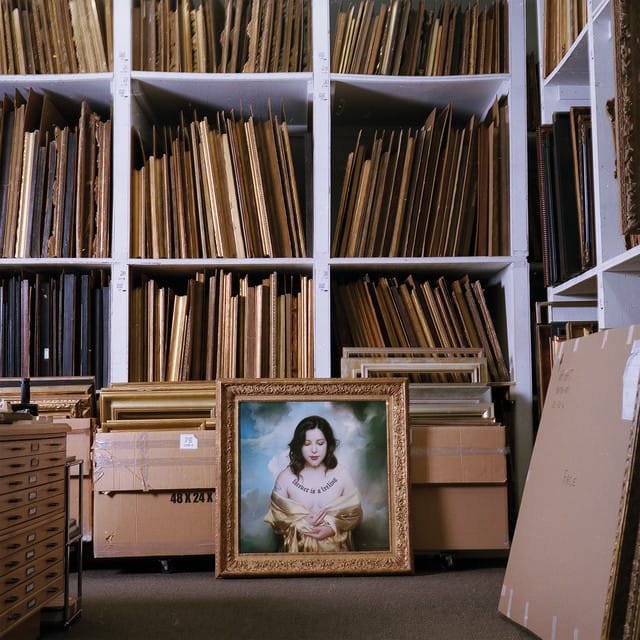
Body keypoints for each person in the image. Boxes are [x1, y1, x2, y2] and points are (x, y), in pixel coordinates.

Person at [264, 415, 363, 552]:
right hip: (295, 556)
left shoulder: (342, 474)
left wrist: (332, 528)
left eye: (320, 443)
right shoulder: (285, 477)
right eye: (307, 444)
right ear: (299, 445)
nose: (314, 450)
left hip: (336, 556)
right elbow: (276, 519)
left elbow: (355, 515)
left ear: (328, 444)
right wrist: (301, 524)